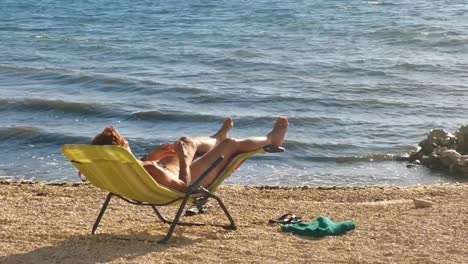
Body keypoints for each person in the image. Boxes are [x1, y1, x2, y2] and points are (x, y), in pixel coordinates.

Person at [90, 117, 288, 192]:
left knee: (186, 141)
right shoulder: (149, 169)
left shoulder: (122, 168)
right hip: (194, 179)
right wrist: (183, 161)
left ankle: (216, 138)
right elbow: (185, 189)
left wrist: (156, 155)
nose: (129, 144)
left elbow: (142, 171)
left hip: (174, 168)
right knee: (231, 144)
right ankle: (271, 138)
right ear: (122, 149)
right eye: (126, 143)